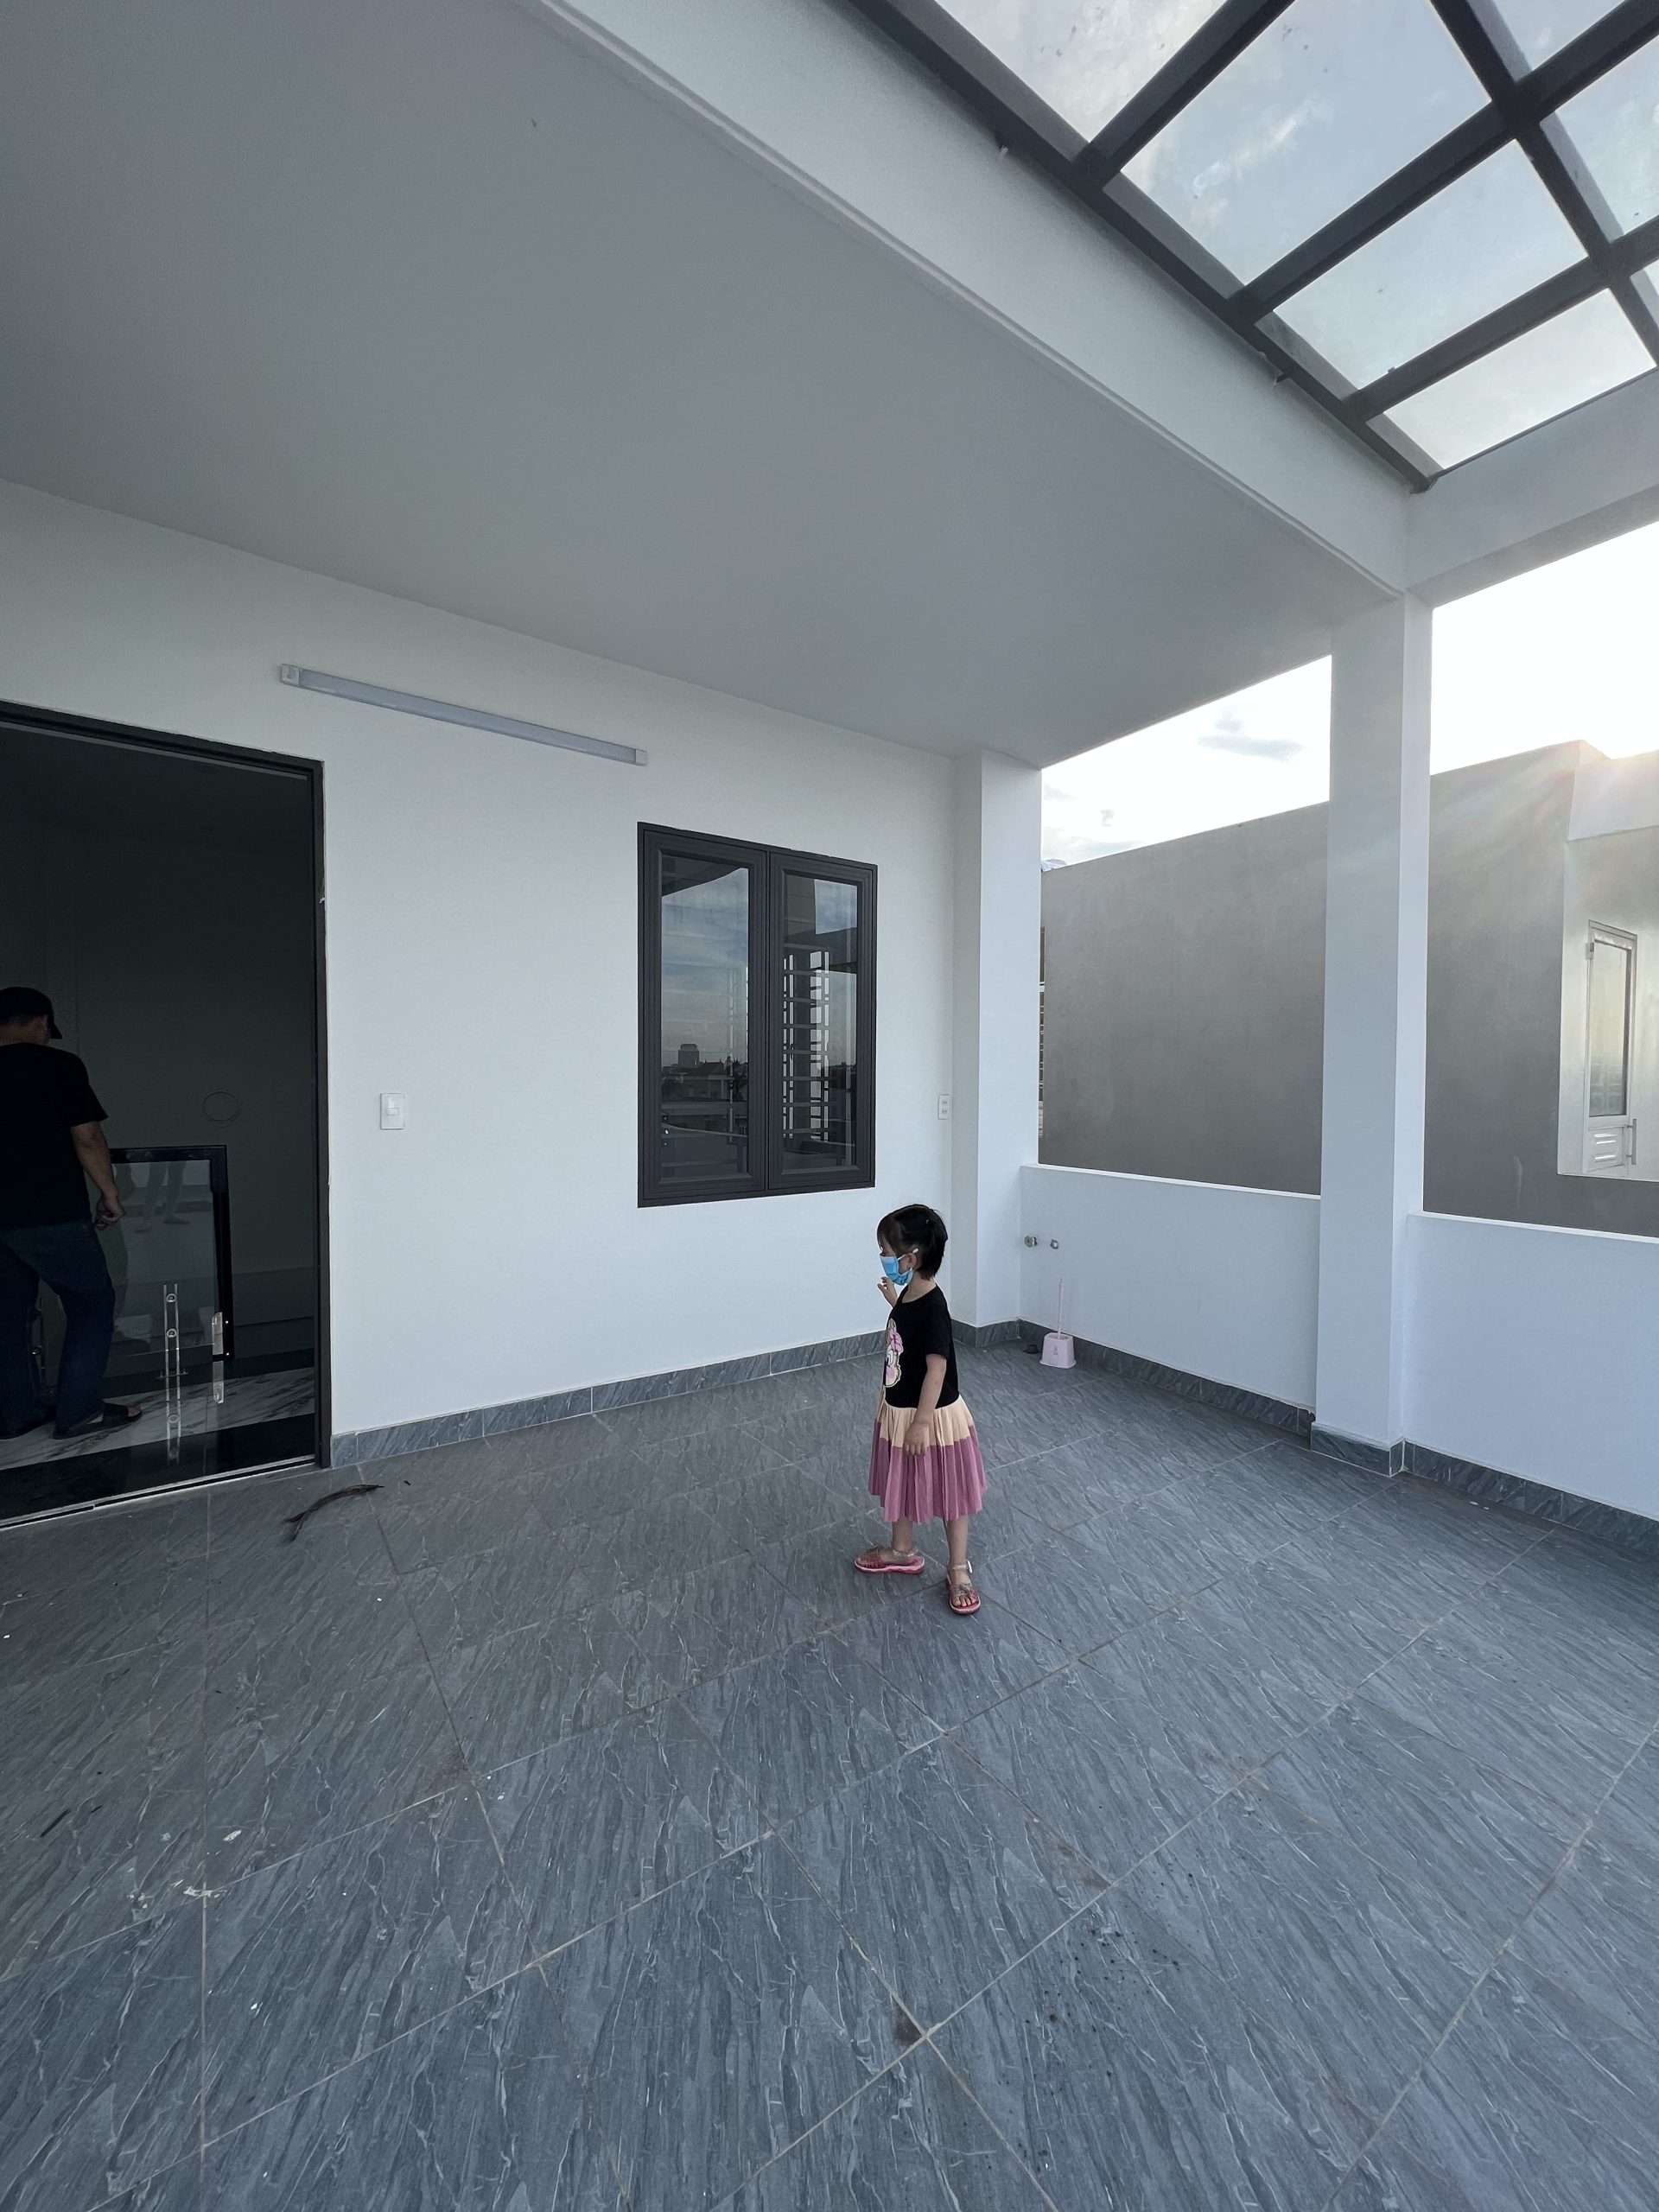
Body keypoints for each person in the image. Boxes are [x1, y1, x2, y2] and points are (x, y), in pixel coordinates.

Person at [0, 987, 140, 1440]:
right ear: (42, 1022)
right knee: (91, 1303)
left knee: (8, 1315)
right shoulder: (58, 1066)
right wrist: (109, 1192)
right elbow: (86, 1136)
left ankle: (16, 1413)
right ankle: (79, 1411)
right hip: (50, 1210)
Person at [855, 1202, 986, 1617]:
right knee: (903, 1482)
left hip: (931, 1417)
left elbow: (937, 1367)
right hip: (900, 1409)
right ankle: (902, 1549)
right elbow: (907, 1334)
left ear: (910, 1259)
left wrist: (922, 1421)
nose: (882, 1257)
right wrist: (894, 1300)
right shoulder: (911, 1294)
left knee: (952, 1492)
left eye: (886, 1251)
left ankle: (958, 1568)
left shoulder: (933, 1307)